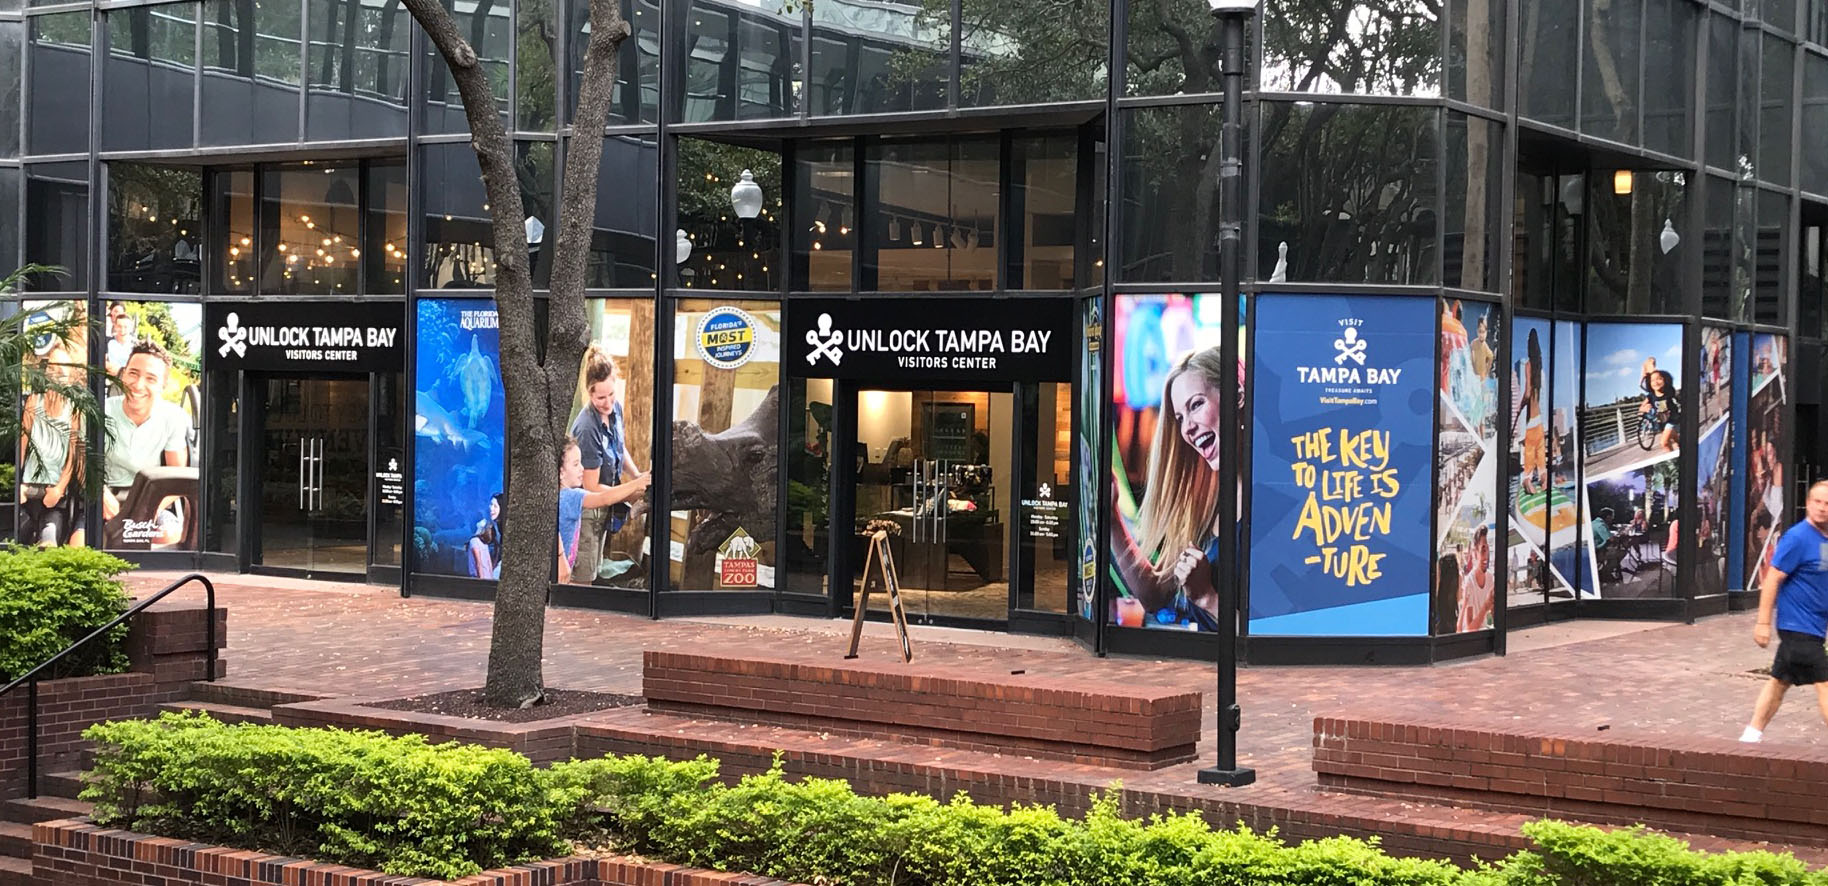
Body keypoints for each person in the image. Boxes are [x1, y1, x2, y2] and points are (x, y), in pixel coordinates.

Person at [1109, 347, 1238, 630]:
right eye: (1179, 418)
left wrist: (1207, 597)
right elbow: (1155, 596)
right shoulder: (1207, 501)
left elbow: (1281, 637)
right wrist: (1112, 520)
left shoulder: (1277, 501)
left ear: (1236, 396)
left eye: (1196, 405)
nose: (1188, 428)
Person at [1738, 480, 1828, 742]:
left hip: (1813, 628)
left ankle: (1750, 736)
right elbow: (1772, 577)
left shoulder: (1823, 538)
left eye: (1827, 504)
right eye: (1817, 502)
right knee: (1825, 682)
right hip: (1798, 628)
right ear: (1808, 504)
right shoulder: (1798, 537)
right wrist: (1762, 623)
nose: (1822, 508)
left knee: (1778, 682)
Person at [565, 344, 649, 583]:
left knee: (595, 564)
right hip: (589, 507)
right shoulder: (587, 427)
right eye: (601, 397)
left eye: (611, 394)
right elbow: (591, 487)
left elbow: (618, 447)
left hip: (608, 500)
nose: (608, 402)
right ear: (589, 394)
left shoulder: (615, 410)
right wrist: (631, 492)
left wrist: (636, 476)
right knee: (583, 573)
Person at [102, 342, 192, 546]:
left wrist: (148, 510)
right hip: (106, 499)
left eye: (150, 378)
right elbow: (82, 463)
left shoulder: (173, 417)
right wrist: (101, 495)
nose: (139, 384)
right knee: (82, 542)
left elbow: (177, 478)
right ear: (123, 374)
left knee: (170, 535)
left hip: (151, 500)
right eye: (133, 373)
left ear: (163, 385)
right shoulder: (102, 410)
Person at [17, 342, 85, 548]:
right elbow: (23, 443)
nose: (55, 373)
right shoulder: (33, 401)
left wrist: (59, 488)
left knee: (49, 538)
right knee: (21, 535)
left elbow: (73, 454)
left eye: (61, 369)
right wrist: (18, 483)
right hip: (28, 485)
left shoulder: (74, 409)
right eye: (51, 368)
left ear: (70, 374)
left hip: (55, 490)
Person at [557, 437, 650, 585]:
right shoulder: (571, 497)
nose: (582, 468)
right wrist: (637, 483)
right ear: (561, 472)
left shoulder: (558, 495)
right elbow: (604, 498)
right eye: (576, 465)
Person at [1638, 358, 1679, 452]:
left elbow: (1656, 375)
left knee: (1664, 443)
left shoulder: (1668, 391)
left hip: (1672, 419)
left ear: (1665, 380)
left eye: (1659, 379)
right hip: (1661, 422)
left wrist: (1650, 367)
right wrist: (1644, 408)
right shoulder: (1651, 396)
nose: (1656, 382)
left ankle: (1672, 461)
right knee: (1674, 438)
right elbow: (1641, 408)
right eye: (1652, 381)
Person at [468, 492, 504, 579]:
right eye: (491, 504)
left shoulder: (503, 526)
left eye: (495, 506)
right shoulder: (490, 525)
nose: (491, 508)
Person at [104, 311, 137, 377]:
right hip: (111, 378)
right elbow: (102, 361)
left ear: (131, 327)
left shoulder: (136, 345)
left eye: (125, 327)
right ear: (115, 326)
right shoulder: (108, 342)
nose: (122, 330)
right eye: (119, 326)